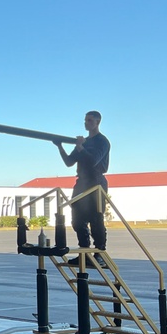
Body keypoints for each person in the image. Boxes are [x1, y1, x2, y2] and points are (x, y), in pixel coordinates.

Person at [55, 111, 111, 262]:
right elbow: (69, 162)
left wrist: (80, 147)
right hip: (82, 183)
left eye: (89, 120)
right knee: (77, 219)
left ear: (97, 122)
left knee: (96, 218)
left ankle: (100, 254)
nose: (86, 123)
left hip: (96, 182)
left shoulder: (102, 141)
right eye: (85, 120)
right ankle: (84, 254)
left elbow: (93, 161)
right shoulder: (83, 142)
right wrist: (59, 146)